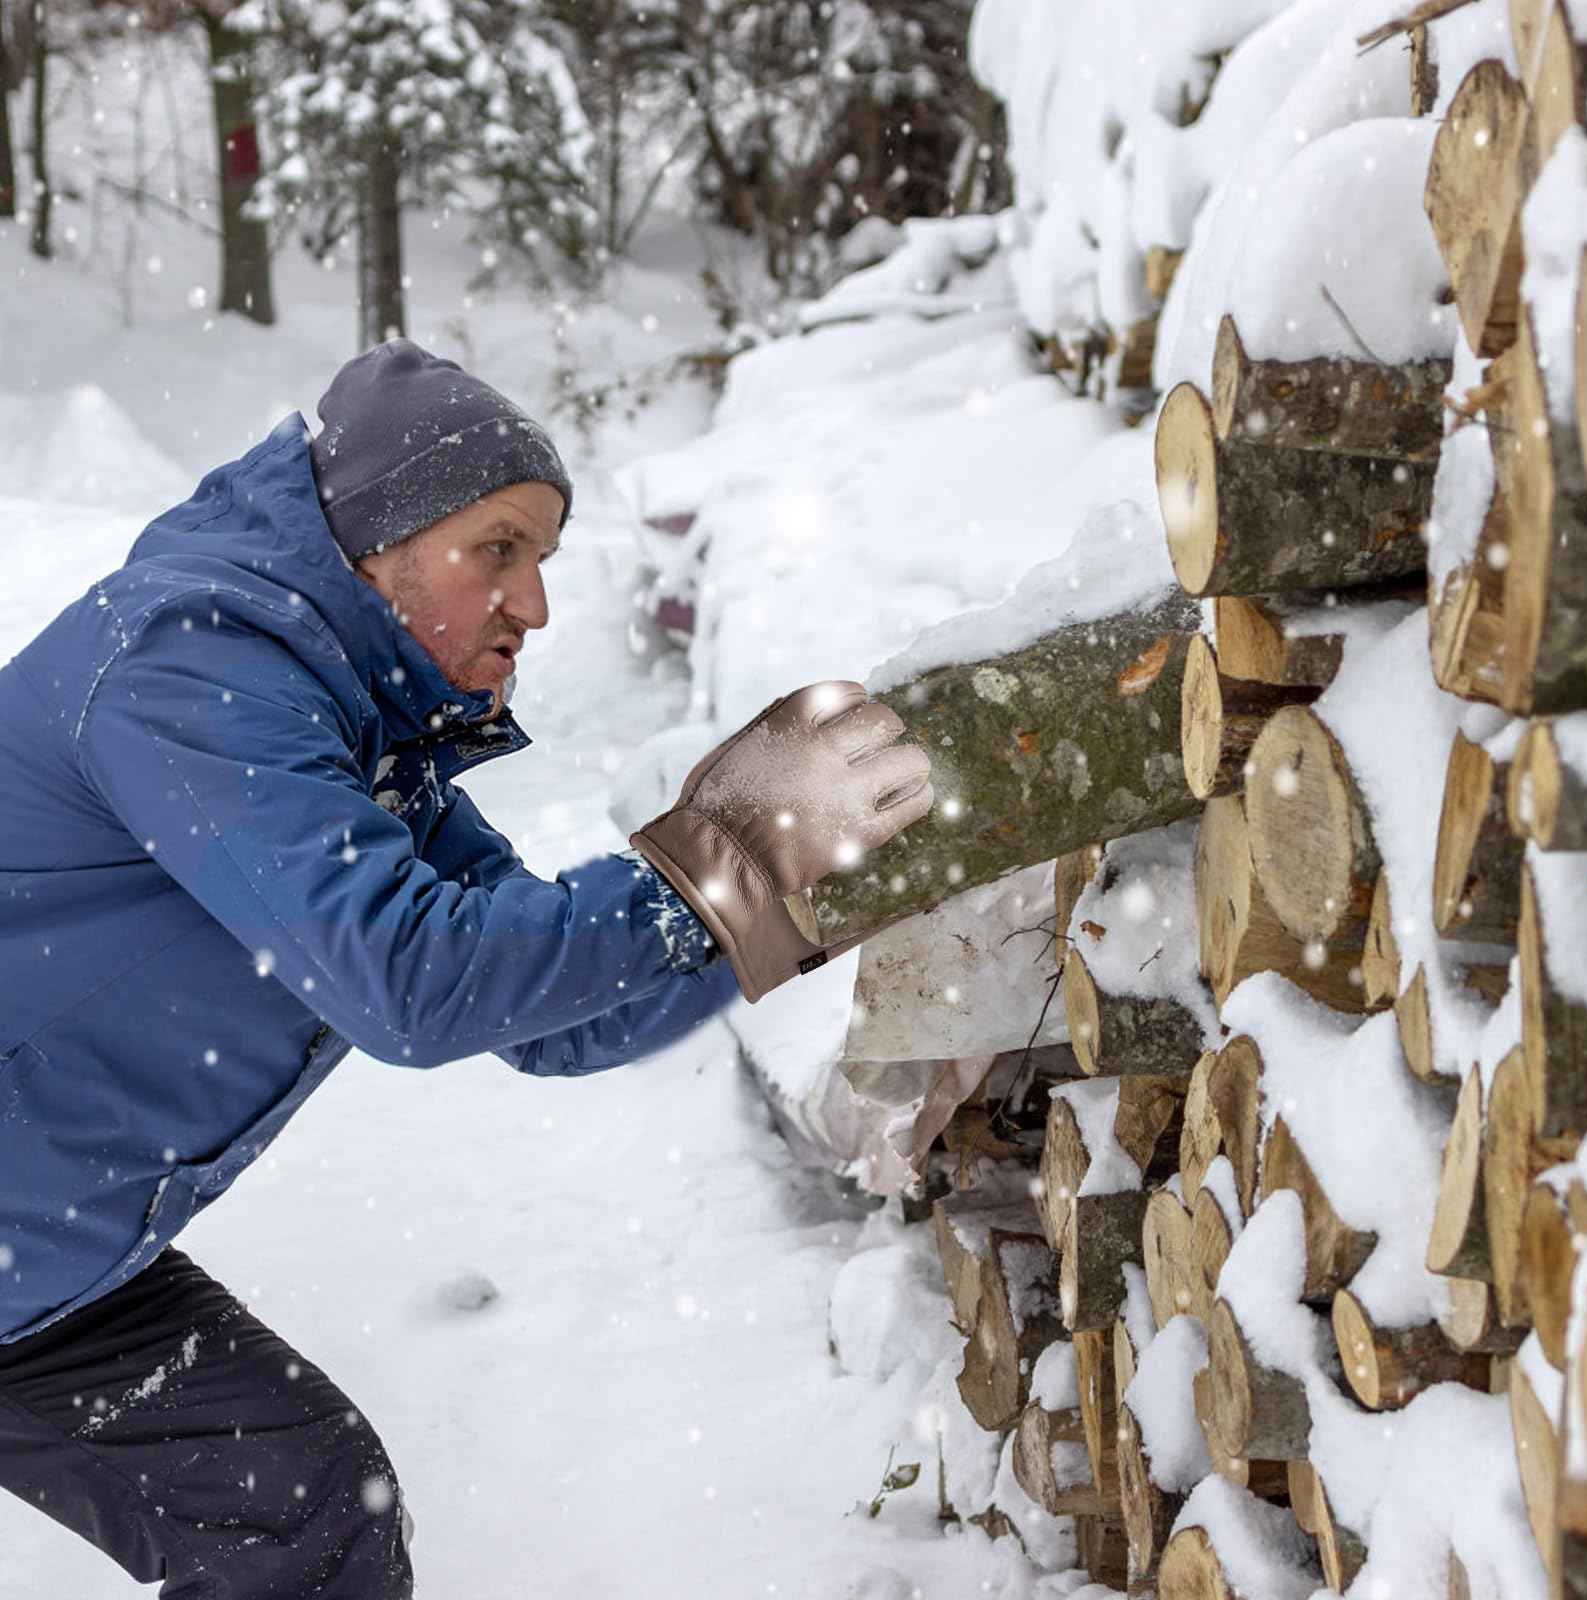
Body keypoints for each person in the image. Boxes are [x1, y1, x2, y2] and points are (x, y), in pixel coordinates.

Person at [0, 339, 933, 1597]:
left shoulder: (368, 742)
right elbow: (413, 979)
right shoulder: (185, 665)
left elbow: (550, 1021)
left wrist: (791, 893)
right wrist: (724, 863)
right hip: (36, 1248)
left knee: (304, 1508)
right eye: (497, 548)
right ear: (376, 540)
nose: (534, 605)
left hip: (49, 1267)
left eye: (541, 559)